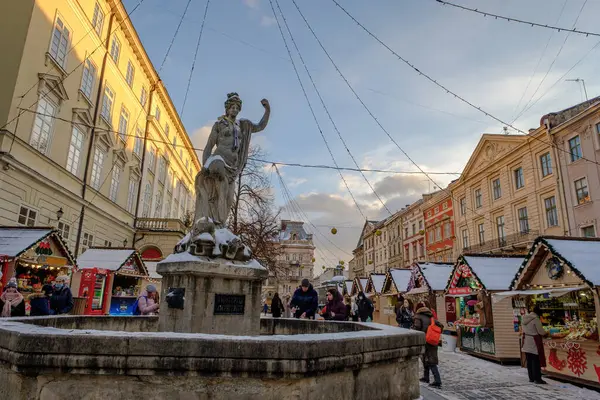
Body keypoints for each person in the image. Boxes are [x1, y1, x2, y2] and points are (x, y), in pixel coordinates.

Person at [413, 301, 442, 388]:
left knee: (428, 360)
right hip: (433, 340)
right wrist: (434, 334)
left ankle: (437, 381)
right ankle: (426, 377)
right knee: (430, 359)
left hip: (424, 340)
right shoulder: (431, 316)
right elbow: (441, 325)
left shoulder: (418, 316)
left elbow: (417, 328)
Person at [522, 305, 548, 384]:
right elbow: (540, 331)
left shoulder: (524, 318)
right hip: (534, 341)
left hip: (526, 340)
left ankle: (531, 378)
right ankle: (537, 378)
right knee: (536, 360)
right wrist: (546, 333)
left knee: (529, 360)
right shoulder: (536, 319)